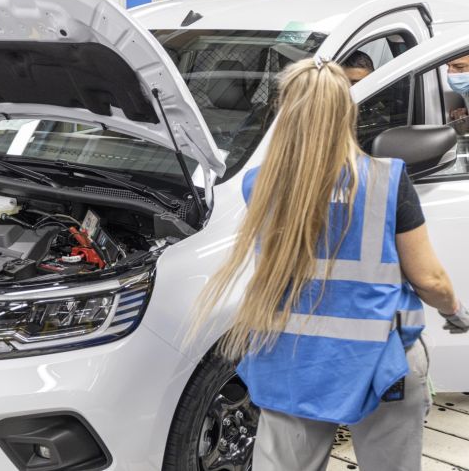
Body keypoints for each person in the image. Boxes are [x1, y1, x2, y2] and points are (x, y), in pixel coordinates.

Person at [188, 57, 469, 471]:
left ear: (284, 113)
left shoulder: (258, 183)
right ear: (348, 112)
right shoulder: (385, 180)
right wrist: (455, 313)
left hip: (289, 357)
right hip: (382, 361)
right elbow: (430, 279)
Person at [447, 54, 469, 120]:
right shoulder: (466, 90)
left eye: (460, 67)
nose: (449, 72)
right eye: (448, 66)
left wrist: (463, 128)